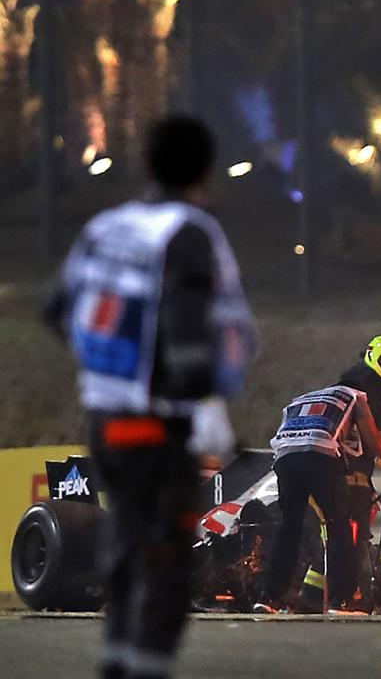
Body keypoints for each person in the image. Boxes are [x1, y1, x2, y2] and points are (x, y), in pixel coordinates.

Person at [43, 116, 257, 679]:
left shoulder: (104, 228)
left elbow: (57, 309)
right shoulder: (188, 231)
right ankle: (143, 667)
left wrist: (109, 373)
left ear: (147, 164)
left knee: (127, 536)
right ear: (204, 170)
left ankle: (117, 656)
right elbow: (188, 332)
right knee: (167, 558)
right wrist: (204, 402)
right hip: (158, 422)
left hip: (105, 418)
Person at [255, 336, 381, 613]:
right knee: (339, 526)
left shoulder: (319, 394)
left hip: (286, 457)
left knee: (289, 528)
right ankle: (343, 599)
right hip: (320, 456)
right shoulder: (358, 397)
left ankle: (269, 597)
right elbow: (376, 445)